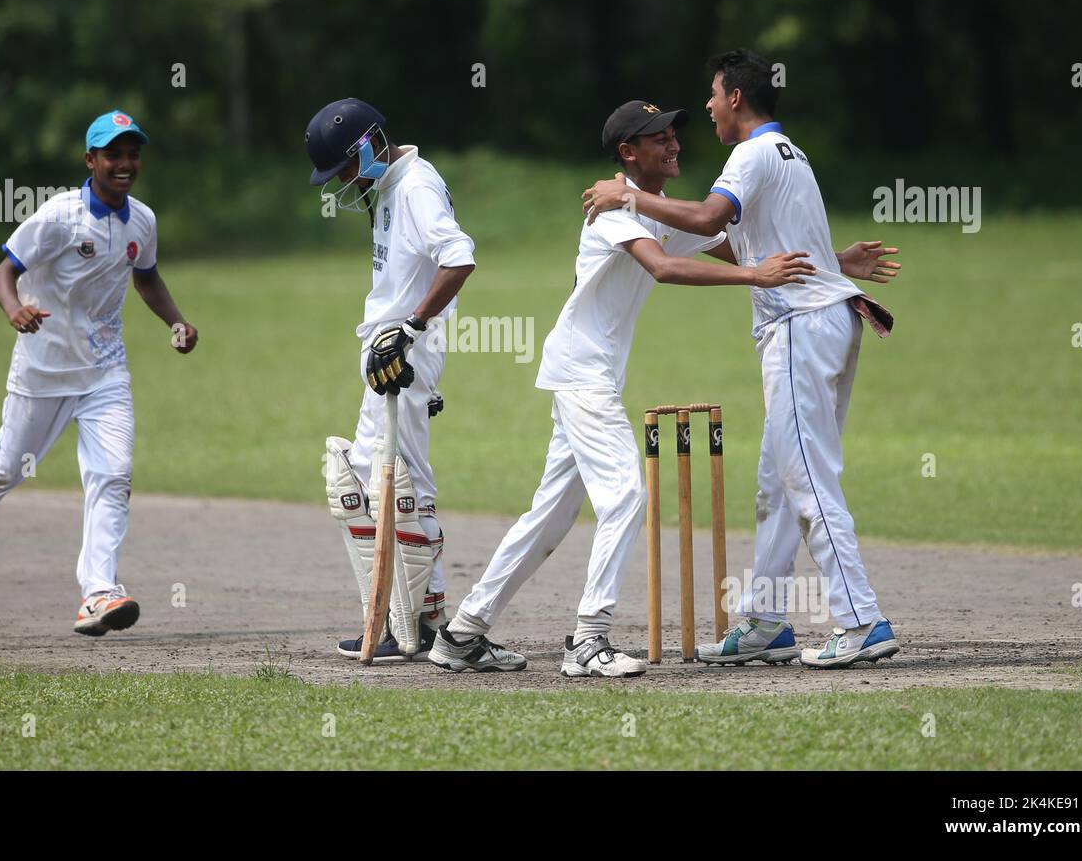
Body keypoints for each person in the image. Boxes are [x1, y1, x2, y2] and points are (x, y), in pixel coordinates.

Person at [429, 100, 819, 677]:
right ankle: (589, 639)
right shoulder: (612, 209)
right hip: (582, 373)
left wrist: (836, 263)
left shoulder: (653, 208)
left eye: (674, 136)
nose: (674, 146)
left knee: (551, 515)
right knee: (626, 495)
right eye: (658, 140)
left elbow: (736, 248)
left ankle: (463, 633)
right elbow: (665, 267)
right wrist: (754, 277)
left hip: (589, 372)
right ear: (627, 152)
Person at [582, 51, 902, 669]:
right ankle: (767, 624)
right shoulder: (789, 152)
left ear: (735, 99)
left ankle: (860, 619)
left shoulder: (752, 153)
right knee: (777, 486)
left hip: (800, 328)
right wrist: (837, 263)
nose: (705, 106)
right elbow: (748, 245)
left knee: (806, 477)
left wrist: (627, 197)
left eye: (712, 94)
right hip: (822, 315)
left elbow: (707, 218)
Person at [0, 110, 199, 635]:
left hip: (105, 374)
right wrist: (14, 309)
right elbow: (4, 273)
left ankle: (99, 593)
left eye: (133, 153)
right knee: (5, 471)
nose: (125, 163)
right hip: (42, 373)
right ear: (91, 161)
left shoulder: (143, 221)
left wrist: (176, 322)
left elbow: (147, 279)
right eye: (113, 154)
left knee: (113, 476)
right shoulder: (58, 217)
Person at [307, 98, 475, 662]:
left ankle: (409, 622)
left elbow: (459, 257)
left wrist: (411, 329)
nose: (348, 181)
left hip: (401, 354)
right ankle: (413, 618)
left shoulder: (415, 188)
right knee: (377, 479)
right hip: (393, 351)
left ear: (368, 144)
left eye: (347, 168)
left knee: (395, 485)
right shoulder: (390, 184)